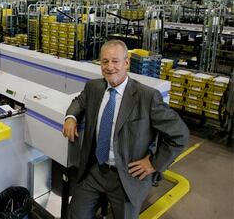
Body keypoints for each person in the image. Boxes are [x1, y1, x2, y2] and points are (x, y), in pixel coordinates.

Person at [63, 40, 189, 219]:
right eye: (105, 61)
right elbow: (79, 102)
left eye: (115, 61)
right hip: (95, 170)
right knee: (75, 214)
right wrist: (71, 117)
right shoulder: (94, 88)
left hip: (128, 177)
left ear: (127, 63)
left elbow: (180, 134)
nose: (110, 67)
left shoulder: (147, 97)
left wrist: (154, 163)